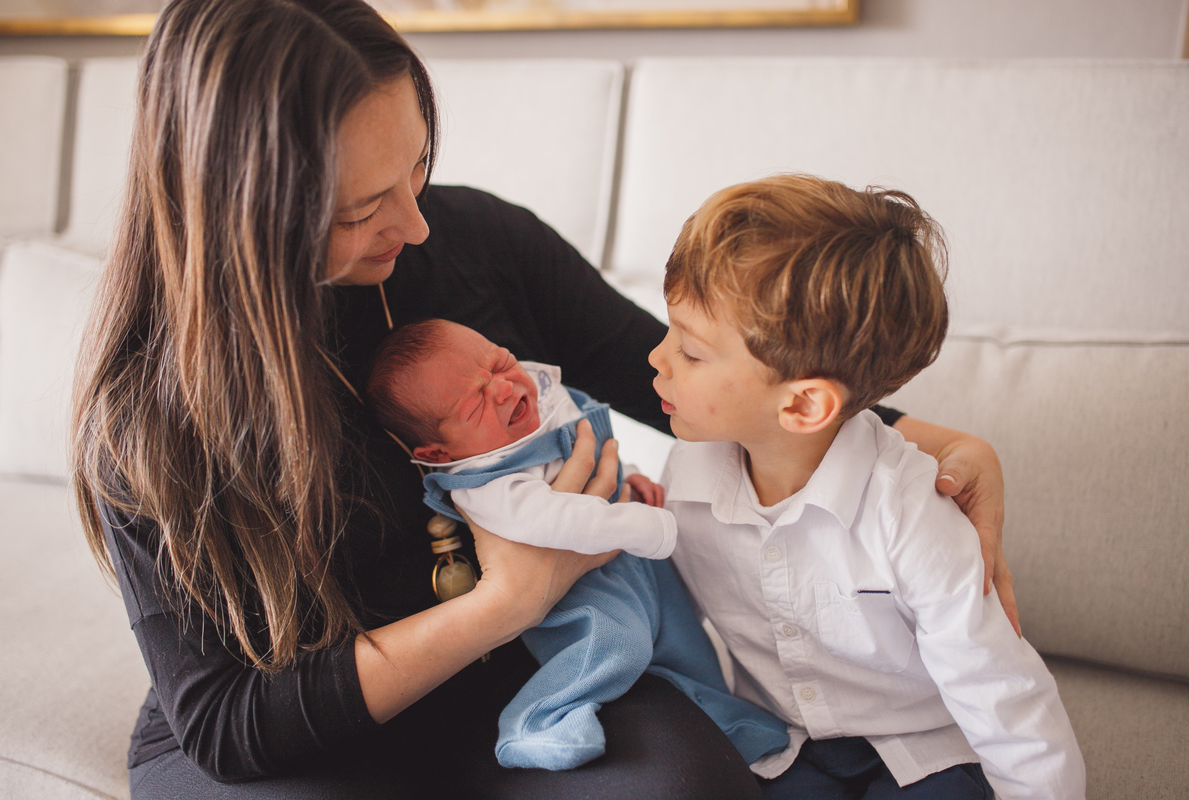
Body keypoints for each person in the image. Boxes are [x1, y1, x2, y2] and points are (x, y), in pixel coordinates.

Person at [67, 0, 1017, 796]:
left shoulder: (477, 244)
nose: (415, 223)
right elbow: (228, 725)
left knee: (702, 784)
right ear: (241, 213)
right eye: (360, 210)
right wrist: (509, 598)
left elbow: (682, 374)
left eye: (416, 168)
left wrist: (922, 440)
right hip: (301, 738)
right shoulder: (145, 407)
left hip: (529, 680)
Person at [650, 175, 1085, 799]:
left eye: (690, 352)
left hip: (924, 752)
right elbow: (667, 623)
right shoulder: (686, 476)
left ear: (803, 405)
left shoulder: (912, 514)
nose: (657, 358)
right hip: (783, 748)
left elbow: (1004, 696)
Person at [364, 318, 791, 770]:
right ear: (438, 453)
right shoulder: (484, 482)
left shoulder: (542, 400)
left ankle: (728, 723)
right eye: (475, 405)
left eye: (500, 363)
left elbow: (597, 450)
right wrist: (639, 525)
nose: (504, 389)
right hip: (579, 595)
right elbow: (554, 519)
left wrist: (630, 476)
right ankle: (540, 722)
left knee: (688, 640)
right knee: (619, 648)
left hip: (632, 561)